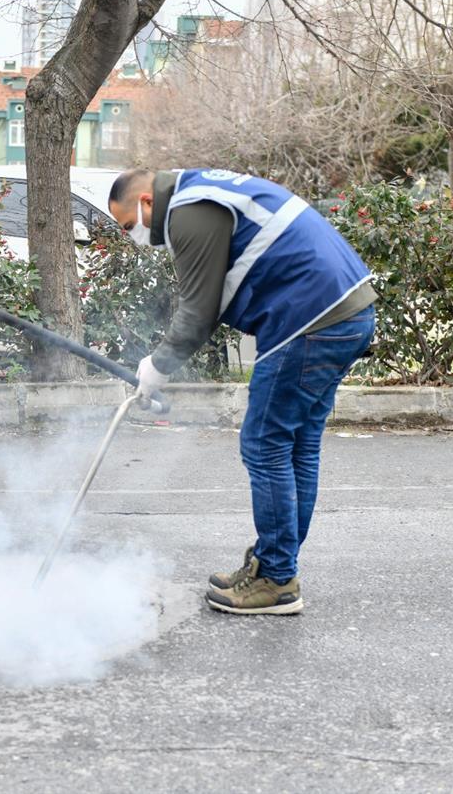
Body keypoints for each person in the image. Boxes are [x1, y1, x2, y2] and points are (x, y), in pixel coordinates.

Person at [107, 168, 376, 615]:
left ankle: (276, 580)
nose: (132, 234)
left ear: (146, 203)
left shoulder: (188, 211)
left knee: (264, 444)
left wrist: (157, 367)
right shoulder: (203, 191)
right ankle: (275, 565)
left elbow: (198, 312)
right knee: (296, 446)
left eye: (127, 224)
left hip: (309, 319)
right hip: (343, 311)